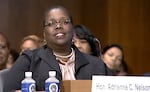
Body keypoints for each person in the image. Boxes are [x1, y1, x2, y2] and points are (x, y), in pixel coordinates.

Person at [3, 5, 113, 91]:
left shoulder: (96, 65)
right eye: (51, 23)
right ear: (44, 34)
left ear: (73, 30)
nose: (58, 26)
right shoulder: (29, 60)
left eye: (65, 22)